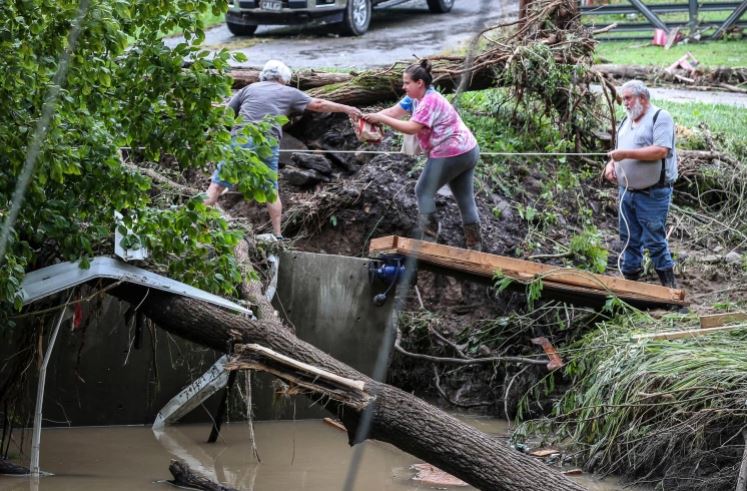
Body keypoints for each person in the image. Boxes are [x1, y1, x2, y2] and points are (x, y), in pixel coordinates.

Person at [205, 60, 362, 238]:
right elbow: (318, 104)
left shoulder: (248, 89)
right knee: (271, 190)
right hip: (267, 142)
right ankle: (278, 235)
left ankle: (196, 224)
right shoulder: (288, 92)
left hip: (241, 137)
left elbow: (227, 114)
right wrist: (347, 108)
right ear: (283, 78)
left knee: (217, 185)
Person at [363, 60, 482, 250]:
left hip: (452, 152)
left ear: (420, 83)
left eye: (406, 83)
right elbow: (393, 112)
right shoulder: (414, 98)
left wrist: (381, 119)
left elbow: (412, 128)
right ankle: (475, 247)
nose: (403, 87)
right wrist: (368, 118)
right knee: (465, 200)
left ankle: (429, 240)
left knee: (423, 191)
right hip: (468, 150)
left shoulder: (430, 101)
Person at [604, 80, 678, 288]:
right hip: (627, 191)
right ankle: (631, 285)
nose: (624, 103)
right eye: (623, 99)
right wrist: (611, 165)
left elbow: (661, 150)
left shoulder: (660, 117)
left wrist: (625, 155)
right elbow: (619, 150)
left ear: (642, 99)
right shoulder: (626, 121)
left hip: (653, 193)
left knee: (654, 240)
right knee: (628, 238)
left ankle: (670, 290)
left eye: (628, 98)